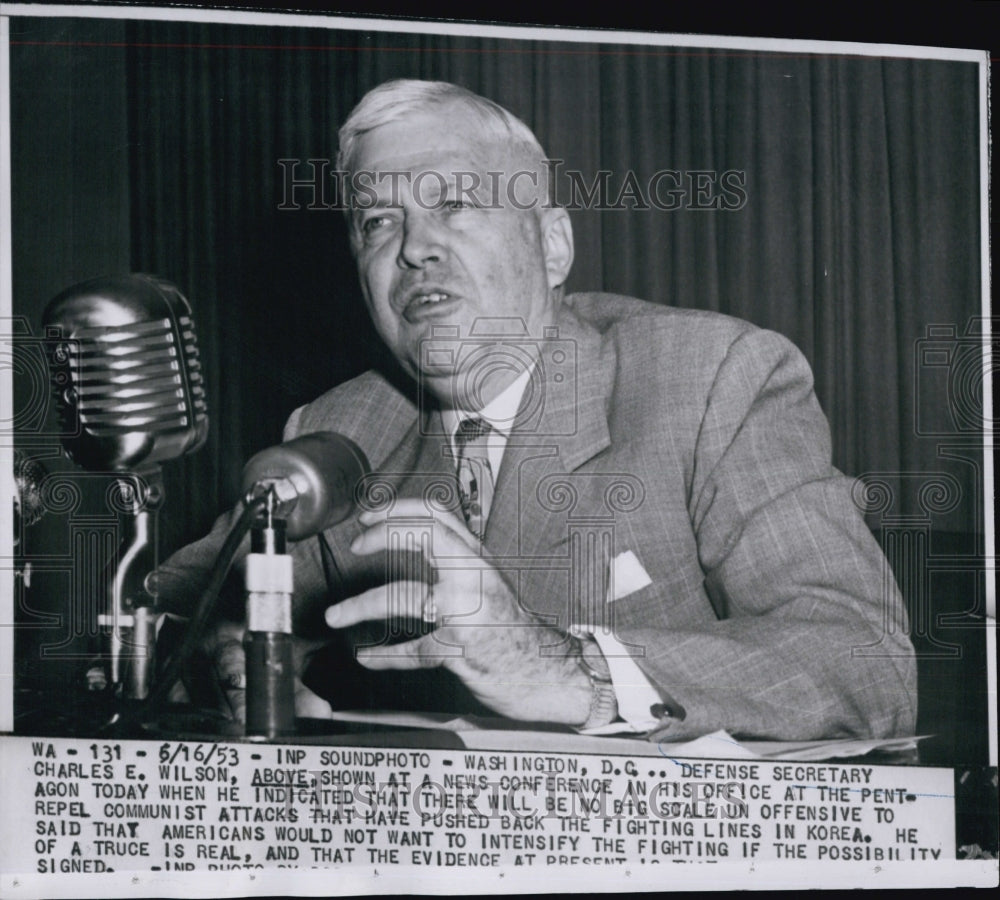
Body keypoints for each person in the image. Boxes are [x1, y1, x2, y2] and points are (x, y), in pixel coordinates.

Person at [155, 79, 917, 741]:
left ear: (553, 246)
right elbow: (174, 603)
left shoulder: (712, 378)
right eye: (377, 223)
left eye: (454, 202)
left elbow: (865, 662)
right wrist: (235, 649)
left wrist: (561, 670)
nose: (415, 248)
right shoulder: (341, 430)